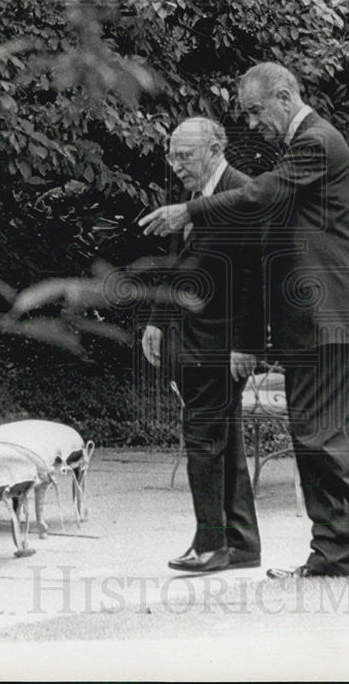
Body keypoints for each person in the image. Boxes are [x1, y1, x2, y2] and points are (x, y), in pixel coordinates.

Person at [141, 63, 349, 578]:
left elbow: (262, 195)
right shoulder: (306, 147)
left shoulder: (316, 142)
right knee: (319, 439)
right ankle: (331, 552)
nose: (252, 124)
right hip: (311, 320)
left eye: (255, 110)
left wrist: (191, 211)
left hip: (330, 317)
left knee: (317, 435)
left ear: (285, 97)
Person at [142, 117, 264, 573]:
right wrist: (157, 320)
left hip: (222, 342)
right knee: (224, 439)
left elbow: (256, 277)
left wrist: (246, 344)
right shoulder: (197, 197)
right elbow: (182, 265)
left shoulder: (242, 193)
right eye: (171, 155)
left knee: (202, 438)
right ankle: (243, 544)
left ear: (214, 149)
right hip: (195, 338)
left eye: (185, 156)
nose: (175, 165)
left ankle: (211, 544)